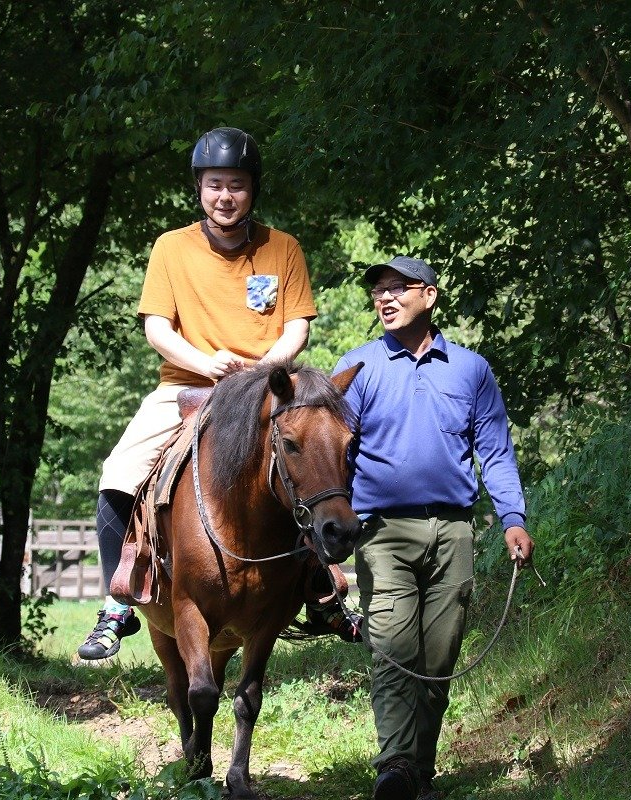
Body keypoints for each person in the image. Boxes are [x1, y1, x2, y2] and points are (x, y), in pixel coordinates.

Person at [77, 126, 353, 660]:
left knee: (320, 458)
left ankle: (323, 589)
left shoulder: (283, 248)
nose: (225, 195)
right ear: (200, 190)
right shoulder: (170, 248)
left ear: (253, 190)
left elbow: (297, 327)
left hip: (266, 385)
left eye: (237, 185)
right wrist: (207, 363)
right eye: (214, 184)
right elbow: (157, 326)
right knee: (118, 475)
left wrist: (264, 366)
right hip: (189, 386)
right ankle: (116, 602)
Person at [333, 256, 536, 800]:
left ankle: (417, 771)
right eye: (379, 291)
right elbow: (332, 458)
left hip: (454, 532)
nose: (385, 298)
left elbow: (494, 451)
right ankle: (394, 768)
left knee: (439, 658)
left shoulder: (470, 370)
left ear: (430, 296)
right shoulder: (356, 370)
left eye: (398, 288)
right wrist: (328, 543)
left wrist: (513, 518)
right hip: (381, 533)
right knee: (396, 650)